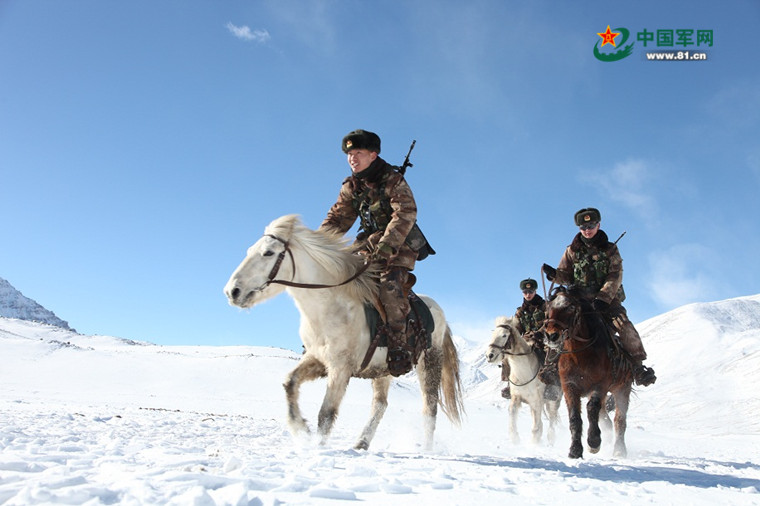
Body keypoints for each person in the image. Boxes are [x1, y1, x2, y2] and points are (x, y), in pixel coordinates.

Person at [319, 129, 421, 377]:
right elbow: (338, 219)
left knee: (388, 287)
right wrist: (317, 245)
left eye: (359, 153)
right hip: (367, 245)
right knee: (338, 279)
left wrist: (386, 247)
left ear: (373, 155)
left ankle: (399, 347)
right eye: (349, 154)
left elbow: (405, 213)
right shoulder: (351, 186)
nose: (353, 158)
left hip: (399, 244)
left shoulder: (392, 180)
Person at [542, 207, 656, 386]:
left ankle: (638, 367)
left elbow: (615, 275)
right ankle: (550, 367)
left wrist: (603, 298)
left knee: (623, 324)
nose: (587, 230)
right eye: (583, 227)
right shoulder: (571, 251)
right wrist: (554, 275)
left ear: (598, 225)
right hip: (579, 300)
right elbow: (566, 275)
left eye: (591, 225)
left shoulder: (610, 249)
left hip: (606, 300)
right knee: (557, 323)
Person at [501, 278, 561, 401]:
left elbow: (550, 323)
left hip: (544, 338)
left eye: (530, 291)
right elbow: (517, 327)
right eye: (525, 292)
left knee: (550, 354)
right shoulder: (520, 311)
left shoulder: (545, 306)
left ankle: (552, 384)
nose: (528, 294)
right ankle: (509, 383)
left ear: (535, 291)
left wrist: (540, 332)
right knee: (508, 355)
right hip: (527, 340)